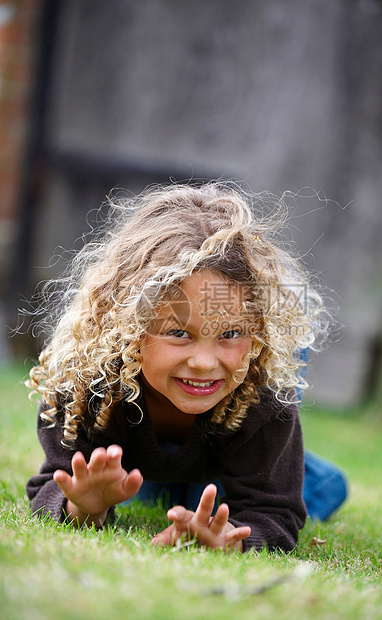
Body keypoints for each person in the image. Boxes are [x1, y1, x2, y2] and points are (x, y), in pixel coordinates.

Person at [26, 182, 336, 553]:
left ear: (255, 335)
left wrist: (232, 540)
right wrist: (82, 506)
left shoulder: (261, 392)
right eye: (179, 333)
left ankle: (320, 478)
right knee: (154, 493)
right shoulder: (85, 385)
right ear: (128, 326)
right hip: (152, 454)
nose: (205, 363)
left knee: (223, 497)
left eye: (231, 333)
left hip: (228, 445)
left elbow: (273, 511)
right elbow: (50, 486)